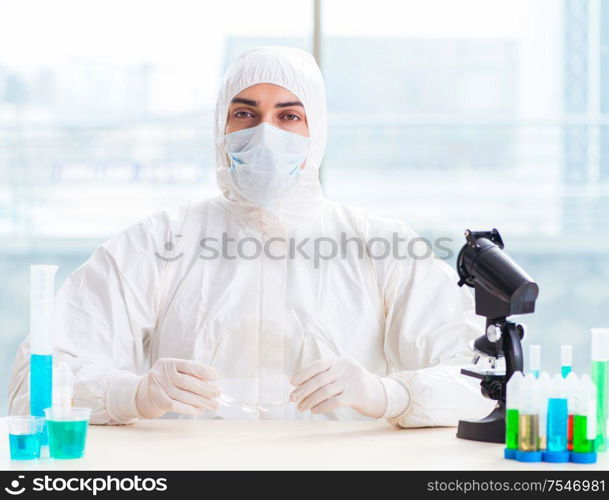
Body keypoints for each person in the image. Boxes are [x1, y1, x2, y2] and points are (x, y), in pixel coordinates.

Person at [9, 46, 495, 426]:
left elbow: (485, 379)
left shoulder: (381, 246)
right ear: (220, 129)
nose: (266, 133)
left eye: (289, 116)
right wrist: (130, 394)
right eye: (245, 114)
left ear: (317, 131)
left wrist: (388, 395)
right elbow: (35, 383)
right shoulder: (158, 242)